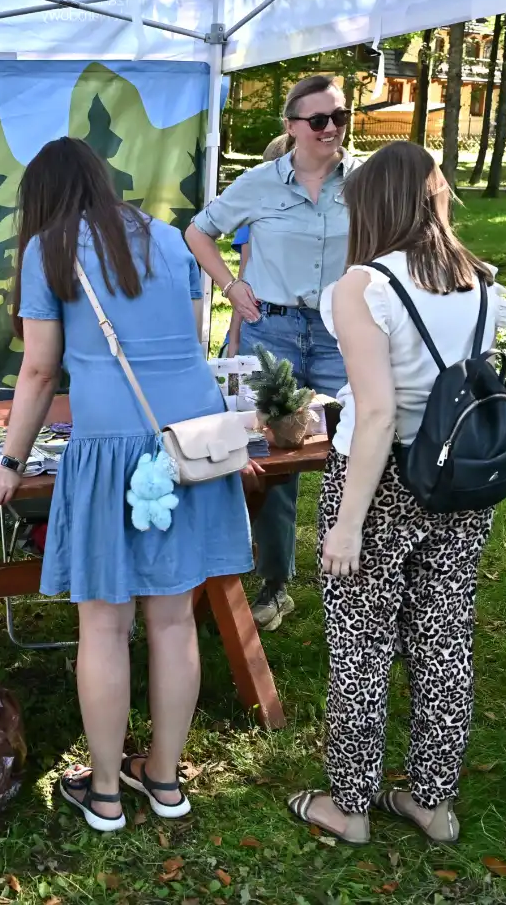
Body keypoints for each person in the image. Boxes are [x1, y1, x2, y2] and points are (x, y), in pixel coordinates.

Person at [0, 137, 254, 833]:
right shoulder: (169, 238)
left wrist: (8, 463)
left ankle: (103, 793)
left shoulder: (47, 249)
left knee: (104, 622)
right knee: (171, 618)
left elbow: (40, 371)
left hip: (108, 455)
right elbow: (189, 343)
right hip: (187, 447)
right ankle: (163, 779)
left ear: (42, 199)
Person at [287, 142, 506, 846]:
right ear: (433, 197)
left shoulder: (365, 287)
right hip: (458, 480)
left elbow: (380, 412)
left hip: (378, 479)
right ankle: (433, 802)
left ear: (370, 205)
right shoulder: (481, 281)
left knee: (361, 645)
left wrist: (347, 524)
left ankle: (350, 806)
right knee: (444, 640)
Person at [186, 76, 357, 632]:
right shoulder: (259, 183)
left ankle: (356, 582)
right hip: (273, 333)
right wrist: (232, 287)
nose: (331, 128)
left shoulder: (363, 182)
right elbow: (198, 232)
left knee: (356, 448)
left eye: (339, 116)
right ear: (291, 127)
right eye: (318, 120)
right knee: (271, 461)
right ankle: (274, 584)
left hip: (341, 332)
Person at [219, 135, 290, 355]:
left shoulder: (257, 212)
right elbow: (245, 280)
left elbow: (244, 278)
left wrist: (233, 341)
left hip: (263, 323)